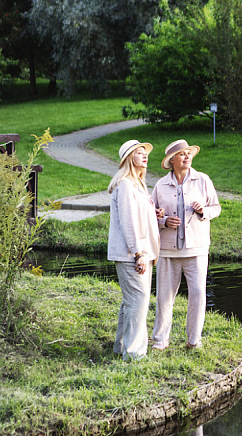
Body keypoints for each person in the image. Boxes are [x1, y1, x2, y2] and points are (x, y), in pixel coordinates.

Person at [151, 139, 221, 350]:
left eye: (189, 153)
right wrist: (163, 221)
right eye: (182, 154)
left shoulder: (203, 180)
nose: (187, 157)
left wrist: (203, 211)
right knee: (164, 296)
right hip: (168, 250)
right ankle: (161, 340)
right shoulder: (160, 185)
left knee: (198, 294)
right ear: (172, 160)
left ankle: (194, 340)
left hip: (197, 248)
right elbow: (151, 215)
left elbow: (216, 207)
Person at [108, 139, 159, 361]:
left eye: (145, 152)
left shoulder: (138, 184)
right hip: (132, 254)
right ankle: (134, 353)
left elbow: (138, 216)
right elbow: (128, 222)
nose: (144, 156)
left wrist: (153, 213)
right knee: (138, 302)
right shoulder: (126, 184)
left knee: (131, 301)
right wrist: (138, 253)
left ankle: (121, 347)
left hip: (141, 252)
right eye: (139, 153)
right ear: (130, 158)